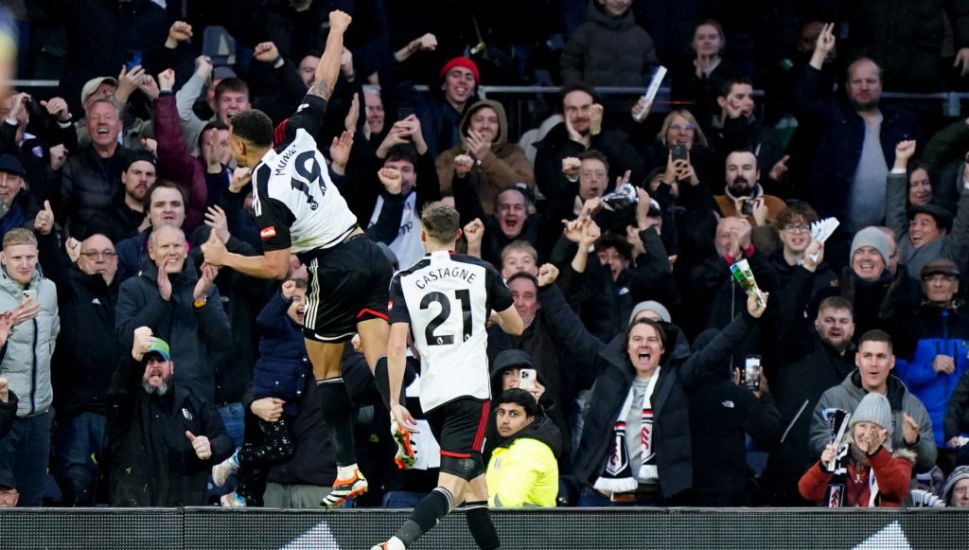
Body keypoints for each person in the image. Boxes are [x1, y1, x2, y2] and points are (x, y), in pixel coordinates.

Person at [200, 11, 397, 509]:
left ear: (241, 144)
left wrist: (224, 256)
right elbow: (326, 78)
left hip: (333, 267)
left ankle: (348, 471)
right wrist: (336, 29)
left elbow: (274, 267)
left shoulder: (266, 189)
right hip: (371, 253)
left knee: (325, 369)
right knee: (376, 361)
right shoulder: (297, 131)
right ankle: (401, 416)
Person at [373, 202, 523, 550]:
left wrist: (394, 402)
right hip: (470, 393)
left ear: (423, 236)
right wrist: (493, 317)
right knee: (451, 488)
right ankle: (397, 543)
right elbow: (516, 325)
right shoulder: (482, 271)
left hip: (434, 397)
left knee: (476, 490)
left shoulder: (404, 279)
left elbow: (396, 347)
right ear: (457, 236)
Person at [570, 292, 768, 506]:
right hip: (598, 497)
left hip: (648, 500)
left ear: (664, 345)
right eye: (637, 337)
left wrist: (748, 317)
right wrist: (548, 290)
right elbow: (572, 332)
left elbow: (715, 350)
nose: (644, 344)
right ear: (626, 344)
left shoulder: (677, 377)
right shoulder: (609, 368)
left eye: (653, 336)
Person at [792, 23, 921, 232]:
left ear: (881, 85)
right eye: (857, 81)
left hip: (891, 233)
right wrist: (819, 54)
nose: (864, 87)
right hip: (837, 233)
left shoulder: (901, 120)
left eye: (871, 81)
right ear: (846, 86)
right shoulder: (832, 115)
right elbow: (801, 102)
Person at [211, 278, 310, 507]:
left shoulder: (311, 333)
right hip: (268, 397)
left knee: (260, 462)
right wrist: (282, 298)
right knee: (282, 449)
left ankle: (239, 495)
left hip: (285, 404)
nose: (301, 304)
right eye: (296, 299)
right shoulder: (278, 325)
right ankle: (235, 460)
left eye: (307, 299)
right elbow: (264, 319)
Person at [106, 329, 233, 506]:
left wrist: (210, 447)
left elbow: (225, 440)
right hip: (137, 512)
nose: (155, 366)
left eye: (160, 360)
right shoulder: (129, 402)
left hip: (184, 513)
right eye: (149, 361)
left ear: (171, 366)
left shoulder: (193, 402)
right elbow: (119, 389)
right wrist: (133, 357)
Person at [809, 330, 936, 472]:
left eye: (881, 356)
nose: (873, 363)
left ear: (892, 361)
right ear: (857, 359)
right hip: (846, 488)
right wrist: (851, 444)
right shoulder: (833, 398)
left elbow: (929, 461)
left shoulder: (912, 405)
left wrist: (914, 442)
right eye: (867, 356)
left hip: (893, 491)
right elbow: (816, 444)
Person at [0, 228, 58, 506]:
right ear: (2, 258)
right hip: (4, 418)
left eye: (29, 257)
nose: (24, 263)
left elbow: (52, 336)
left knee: (32, 501)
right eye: (16, 258)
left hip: (39, 414)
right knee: (4, 500)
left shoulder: (48, 290)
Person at [799, 392, 915, 507]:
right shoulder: (838, 454)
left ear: (884, 434)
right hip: (838, 524)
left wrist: (876, 454)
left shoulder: (899, 460)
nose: (867, 434)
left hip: (880, 525)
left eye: (874, 427)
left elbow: (897, 492)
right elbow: (808, 493)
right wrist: (823, 467)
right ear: (853, 429)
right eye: (862, 426)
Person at [886, 140, 969, 282]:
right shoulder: (900, 242)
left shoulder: (949, 250)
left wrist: (967, 184)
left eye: (925, 223)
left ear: (942, 231)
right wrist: (901, 160)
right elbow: (894, 208)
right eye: (913, 223)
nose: (915, 228)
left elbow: (964, 222)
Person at [435, 99, 534, 215]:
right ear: (468, 126)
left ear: (500, 126)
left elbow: (524, 187)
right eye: (479, 120)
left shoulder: (514, 153)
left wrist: (487, 158)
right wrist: (468, 157)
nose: (485, 126)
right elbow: (434, 186)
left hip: (499, 222)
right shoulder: (450, 155)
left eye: (492, 121)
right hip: (461, 221)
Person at [486, 388, 561, 508]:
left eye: (514, 414)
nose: (504, 420)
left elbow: (506, 503)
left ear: (529, 419)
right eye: (501, 412)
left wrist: (476, 513)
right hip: (512, 523)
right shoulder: (512, 445)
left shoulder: (530, 449)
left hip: (527, 525)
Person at [559, 0, 658, 87]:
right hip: (591, 104)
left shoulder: (642, 36)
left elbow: (652, 73)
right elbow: (569, 66)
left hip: (633, 106)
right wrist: (580, 94)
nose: (619, 1)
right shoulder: (584, 33)